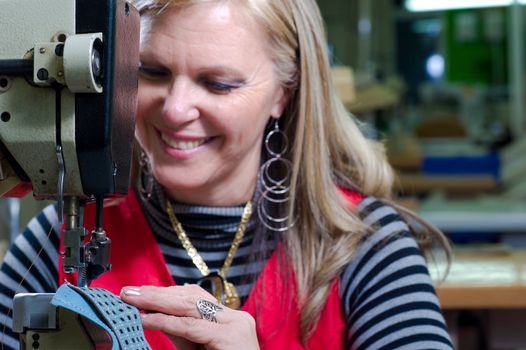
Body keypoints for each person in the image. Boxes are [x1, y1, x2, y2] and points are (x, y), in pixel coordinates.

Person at [0, 0, 454, 349]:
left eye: (218, 84)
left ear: (285, 93)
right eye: (151, 72)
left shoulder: (365, 245)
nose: (175, 109)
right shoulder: (61, 236)